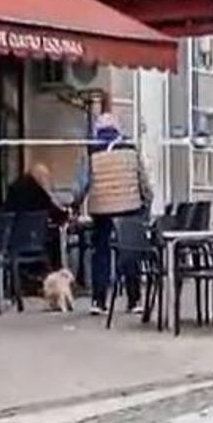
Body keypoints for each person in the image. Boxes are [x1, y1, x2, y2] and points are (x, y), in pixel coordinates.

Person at [72, 114, 153, 316]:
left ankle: (99, 300)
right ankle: (134, 299)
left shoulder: (92, 151)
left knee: (101, 252)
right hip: (130, 207)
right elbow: (143, 178)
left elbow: (82, 184)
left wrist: (75, 204)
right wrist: (146, 201)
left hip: (102, 209)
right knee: (130, 252)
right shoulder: (131, 149)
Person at [4, 159, 66, 272]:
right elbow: (58, 215)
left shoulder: (14, 189)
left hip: (13, 240)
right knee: (54, 236)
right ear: (40, 178)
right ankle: (54, 270)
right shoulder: (39, 192)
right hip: (35, 241)